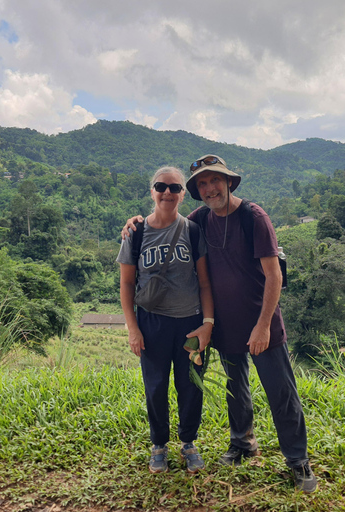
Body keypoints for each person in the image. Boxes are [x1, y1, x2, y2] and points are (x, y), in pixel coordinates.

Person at [122, 155, 318, 492]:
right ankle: (242, 443)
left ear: (229, 182)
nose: (210, 188)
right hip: (224, 325)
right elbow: (170, 220)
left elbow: (274, 275)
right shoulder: (200, 219)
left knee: (281, 392)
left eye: (216, 180)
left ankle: (298, 462)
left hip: (261, 324)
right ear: (197, 191)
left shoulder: (253, 217)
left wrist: (263, 325)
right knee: (235, 387)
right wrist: (134, 222)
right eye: (203, 183)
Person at [116, 166, 214, 474]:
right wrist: (133, 329)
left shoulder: (193, 230)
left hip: (190, 323)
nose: (167, 193)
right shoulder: (136, 232)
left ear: (183, 194)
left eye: (174, 188)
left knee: (191, 386)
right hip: (152, 323)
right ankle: (159, 445)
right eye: (161, 187)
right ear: (152, 191)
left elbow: (204, 283)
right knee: (155, 386)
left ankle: (188, 443)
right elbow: (127, 285)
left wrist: (208, 323)